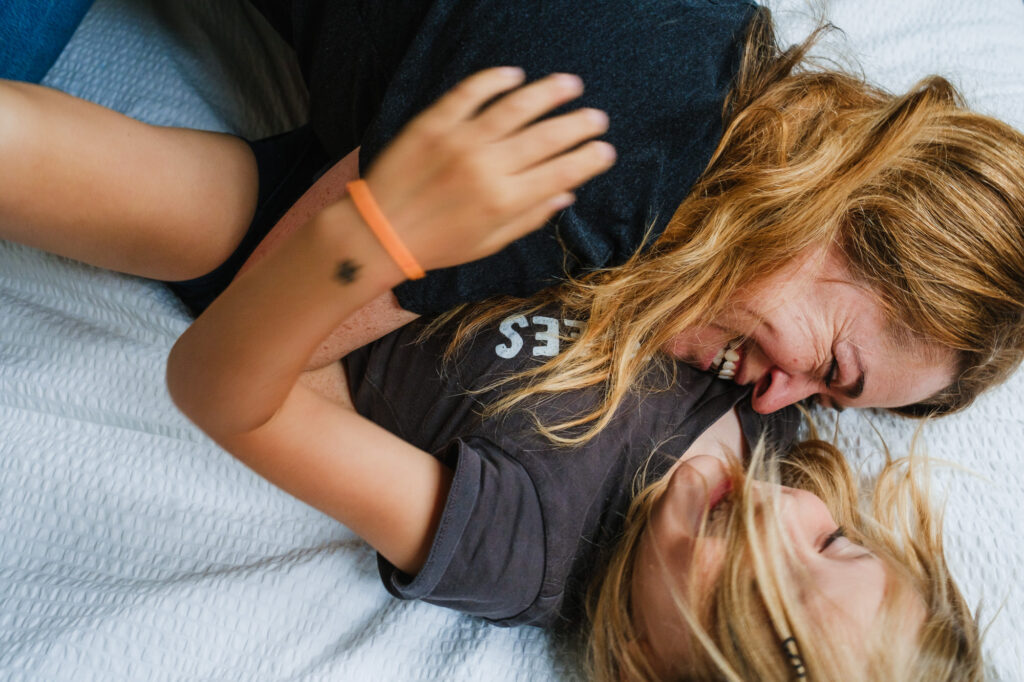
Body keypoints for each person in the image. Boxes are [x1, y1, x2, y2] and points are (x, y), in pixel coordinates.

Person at [0, 63, 980, 679]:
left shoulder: (529, 548)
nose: (774, 517)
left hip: (302, 242)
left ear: (649, 664)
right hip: (468, 101)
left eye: (760, 596)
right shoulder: (769, 414)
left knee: (28, 153)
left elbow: (226, 392)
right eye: (835, 543)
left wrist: (383, 232)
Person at [231, 0, 1024, 438]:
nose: (774, 401)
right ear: (846, 210)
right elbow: (250, 337)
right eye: (830, 366)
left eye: (819, 402)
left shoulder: (714, 49)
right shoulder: (607, 172)